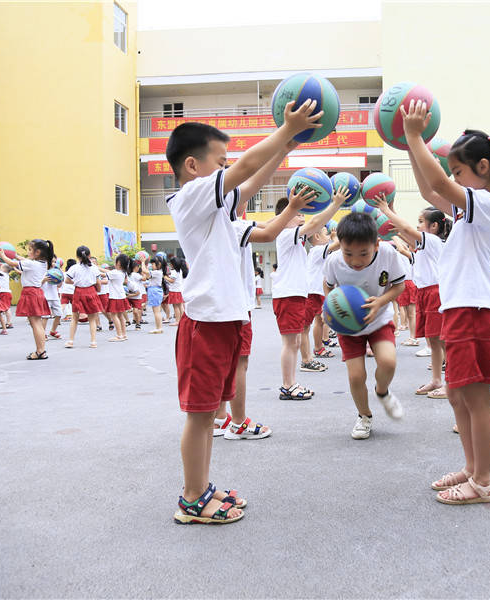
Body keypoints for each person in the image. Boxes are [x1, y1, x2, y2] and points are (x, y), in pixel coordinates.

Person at [166, 98, 322, 524]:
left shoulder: (224, 220)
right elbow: (245, 170)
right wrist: (284, 132)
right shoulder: (190, 198)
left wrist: (283, 153)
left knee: (208, 414)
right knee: (200, 418)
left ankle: (201, 487)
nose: (229, 168)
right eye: (221, 162)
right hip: (205, 323)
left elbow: (260, 212)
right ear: (194, 166)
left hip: (227, 321)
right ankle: (192, 499)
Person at [402, 101, 490, 505]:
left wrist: (416, 137)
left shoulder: (487, 204)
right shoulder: (473, 208)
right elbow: (429, 188)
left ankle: (484, 481)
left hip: (477, 309)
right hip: (462, 309)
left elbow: (438, 183)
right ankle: (471, 468)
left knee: (475, 397)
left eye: (459, 171)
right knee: (457, 394)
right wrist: (409, 143)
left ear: (482, 168)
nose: (453, 179)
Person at [216, 183, 318, 440]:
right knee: (239, 362)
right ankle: (238, 423)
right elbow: (270, 230)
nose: (246, 202)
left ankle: (219, 417)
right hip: (235, 305)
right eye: (242, 198)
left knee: (226, 363)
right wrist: (295, 207)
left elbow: (268, 223)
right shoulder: (236, 226)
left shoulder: (219, 223)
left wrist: (294, 209)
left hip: (220, 303)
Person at [323, 212, 406, 439]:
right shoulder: (334, 261)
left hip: (378, 319)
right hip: (348, 326)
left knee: (388, 363)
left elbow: (399, 286)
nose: (356, 260)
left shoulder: (388, 254)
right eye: (348, 253)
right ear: (340, 246)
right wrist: (329, 309)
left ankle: (382, 391)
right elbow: (328, 287)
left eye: (363, 253)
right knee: (356, 376)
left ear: (376, 245)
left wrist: (380, 302)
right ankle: (364, 416)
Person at [270, 186, 348, 400]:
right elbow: (315, 224)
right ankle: (287, 385)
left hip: (294, 295)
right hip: (287, 295)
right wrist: (336, 204)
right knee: (290, 343)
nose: (302, 217)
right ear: (284, 218)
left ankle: (292, 382)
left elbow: (313, 225)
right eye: (297, 213)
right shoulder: (285, 234)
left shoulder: (294, 238)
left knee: (294, 342)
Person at [378, 199, 451, 398]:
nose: (417, 225)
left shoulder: (434, 241)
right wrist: (390, 211)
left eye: (421, 221)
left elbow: (406, 229)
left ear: (434, 226)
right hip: (425, 292)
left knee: (444, 342)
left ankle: (451, 384)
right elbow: (401, 232)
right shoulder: (422, 243)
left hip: (436, 293)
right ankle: (437, 379)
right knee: (433, 340)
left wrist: (385, 209)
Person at [0, 239, 54, 360]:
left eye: (30, 250)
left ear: (37, 252)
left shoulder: (32, 264)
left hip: (31, 293)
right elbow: (23, 260)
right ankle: (41, 350)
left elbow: (11, 263)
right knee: (36, 323)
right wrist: (16, 255)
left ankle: (40, 351)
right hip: (37, 292)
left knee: (35, 323)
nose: (28, 252)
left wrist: (2, 255)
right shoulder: (42, 263)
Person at [299, 225, 333, 371]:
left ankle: (318, 348)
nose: (330, 236)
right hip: (312, 292)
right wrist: (336, 237)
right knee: (305, 327)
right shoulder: (318, 250)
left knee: (319, 321)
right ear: (318, 237)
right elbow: (337, 245)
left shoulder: (319, 250)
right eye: (327, 234)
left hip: (317, 292)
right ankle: (307, 359)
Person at [63, 245, 104, 348]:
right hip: (91, 291)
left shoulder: (74, 268)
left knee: (75, 318)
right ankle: (93, 342)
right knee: (92, 319)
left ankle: (71, 341)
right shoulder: (94, 268)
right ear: (89, 255)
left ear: (77, 256)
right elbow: (98, 282)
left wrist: (76, 282)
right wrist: (98, 290)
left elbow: (67, 280)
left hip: (78, 292)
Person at [98, 253, 132, 341]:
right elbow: (107, 277)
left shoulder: (115, 273)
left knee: (114, 316)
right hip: (120, 296)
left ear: (119, 263)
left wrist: (95, 268)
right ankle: (123, 334)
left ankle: (119, 335)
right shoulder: (122, 273)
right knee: (120, 316)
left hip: (115, 297)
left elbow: (103, 274)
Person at [391, 237, 418, 346]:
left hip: (408, 283)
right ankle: (412, 337)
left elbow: (402, 249)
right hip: (404, 283)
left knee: (411, 313)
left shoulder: (407, 254)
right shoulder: (399, 255)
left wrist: (394, 236)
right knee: (408, 313)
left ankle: (414, 337)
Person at [41, 269, 63, 340]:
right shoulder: (42, 271)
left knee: (59, 314)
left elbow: (59, 286)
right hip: (46, 297)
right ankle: (42, 334)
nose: (53, 263)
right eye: (52, 261)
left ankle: (53, 331)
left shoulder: (56, 272)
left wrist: (61, 279)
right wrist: (44, 280)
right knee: (45, 316)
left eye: (54, 261)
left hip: (55, 297)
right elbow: (37, 284)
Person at [166, 257, 187, 325]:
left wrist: (165, 277)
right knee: (180, 306)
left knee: (175, 306)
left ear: (173, 264)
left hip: (174, 291)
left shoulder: (174, 272)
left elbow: (172, 281)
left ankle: (177, 321)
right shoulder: (180, 271)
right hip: (179, 290)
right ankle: (182, 320)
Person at [128, 259, 147, 329]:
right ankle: (138, 323)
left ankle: (136, 321)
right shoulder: (135, 274)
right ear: (135, 267)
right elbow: (144, 279)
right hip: (137, 293)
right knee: (137, 309)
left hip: (130, 293)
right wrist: (144, 273)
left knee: (136, 310)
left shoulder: (129, 274)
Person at [0, 263, 14, 329]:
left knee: (6, 308)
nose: (0, 267)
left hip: (4, 293)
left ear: (4, 269)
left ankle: (9, 322)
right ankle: (8, 322)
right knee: (6, 308)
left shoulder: (2, 274)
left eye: (1, 267)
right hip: (4, 293)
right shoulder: (4, 275)